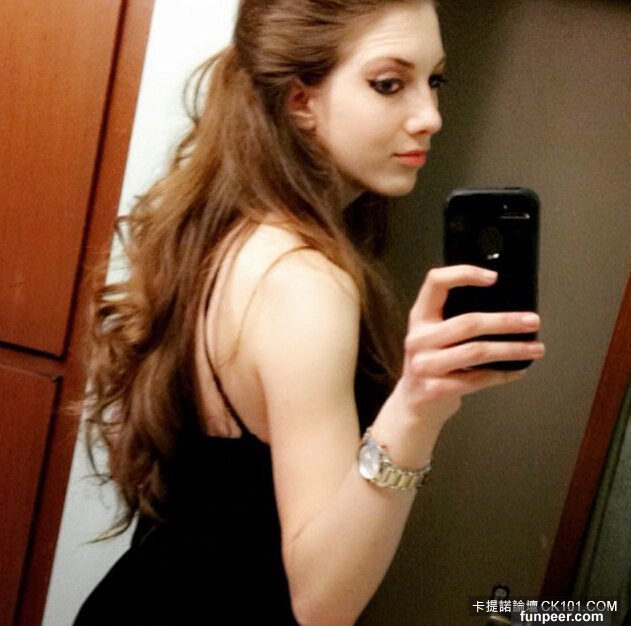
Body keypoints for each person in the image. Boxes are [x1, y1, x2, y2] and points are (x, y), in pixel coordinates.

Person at [73, 0, 545, 624]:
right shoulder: (304, 282)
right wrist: (416, 409)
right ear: (301, 100)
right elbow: (322, 603)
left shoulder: (232, 228)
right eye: (389, 84)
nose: (430, 115)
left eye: (434, 80)